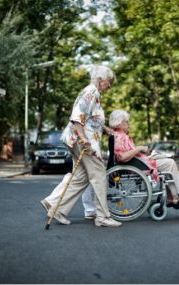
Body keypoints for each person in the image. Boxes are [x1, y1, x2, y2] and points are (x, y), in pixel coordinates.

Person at [43, 65, 121, 227]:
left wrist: (105, 129)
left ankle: (58, 209)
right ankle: (102, 217)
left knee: (81, 178)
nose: (110, 86)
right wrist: (84, 139)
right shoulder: (90, 92)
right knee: (99, 173)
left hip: (78, 138)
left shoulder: (94, 94)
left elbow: (91, 119)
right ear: (101, 80)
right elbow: (77, 117)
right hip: (83, 141)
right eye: (109, 82)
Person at [109, 110, 179, 206]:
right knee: (170, 163)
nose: (129, 124)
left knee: (163, 159)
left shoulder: (119, 135)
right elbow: (122, 157)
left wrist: (141, 151)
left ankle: (171, 196)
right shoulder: (120, 137)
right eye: (127, 122)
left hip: (138, 163)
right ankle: (175, 197)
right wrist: (139, 148)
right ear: (120, 123)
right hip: (137, 166)